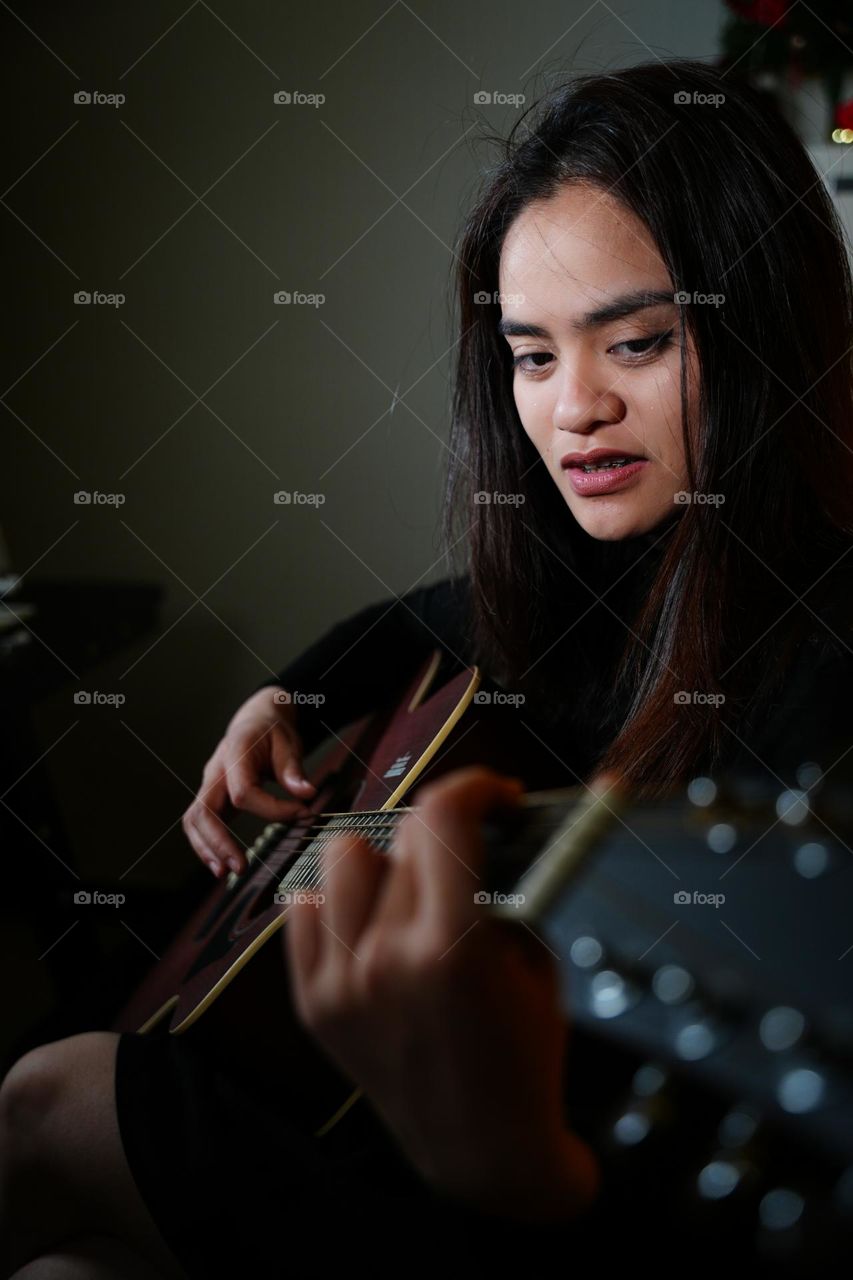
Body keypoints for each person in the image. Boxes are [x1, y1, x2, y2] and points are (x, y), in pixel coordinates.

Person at [3, 54, 853, 1276]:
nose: (573, 410)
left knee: (53, 1088)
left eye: (639, 342)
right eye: (533, 356)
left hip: (548, 1215)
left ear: (764, 322)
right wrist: (286, 696)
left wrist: (506, 1165)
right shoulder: (607, 565)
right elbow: (430, 619)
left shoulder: (822, 670)